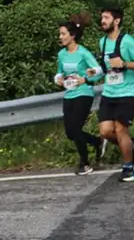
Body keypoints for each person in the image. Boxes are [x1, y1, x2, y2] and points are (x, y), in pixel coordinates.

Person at [96, 7, 134, 182]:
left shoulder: (128, 41)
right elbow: (106, 68)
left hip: (128, 92)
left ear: (116, 21)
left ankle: (128, 168)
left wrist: (125, 64)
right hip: (109, 92)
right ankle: (132, 144)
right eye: (102, 17)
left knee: (120, 130)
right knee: (105, 131)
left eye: (106, 17)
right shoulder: (102, 42)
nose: (102, 20)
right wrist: (93, 73)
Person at [53, 14, 104, 175]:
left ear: (72, 35)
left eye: (63, 34)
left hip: (84, 94)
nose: (60, 37)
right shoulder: (62, 54)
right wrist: (59, 79)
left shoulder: (83, 53)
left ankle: (85, 163)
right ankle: (97, 142)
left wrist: (86, 78)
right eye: (60, 34)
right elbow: (58, 73)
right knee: (70, 133)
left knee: (75, 128)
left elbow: (99, 70)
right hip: (69, 94)